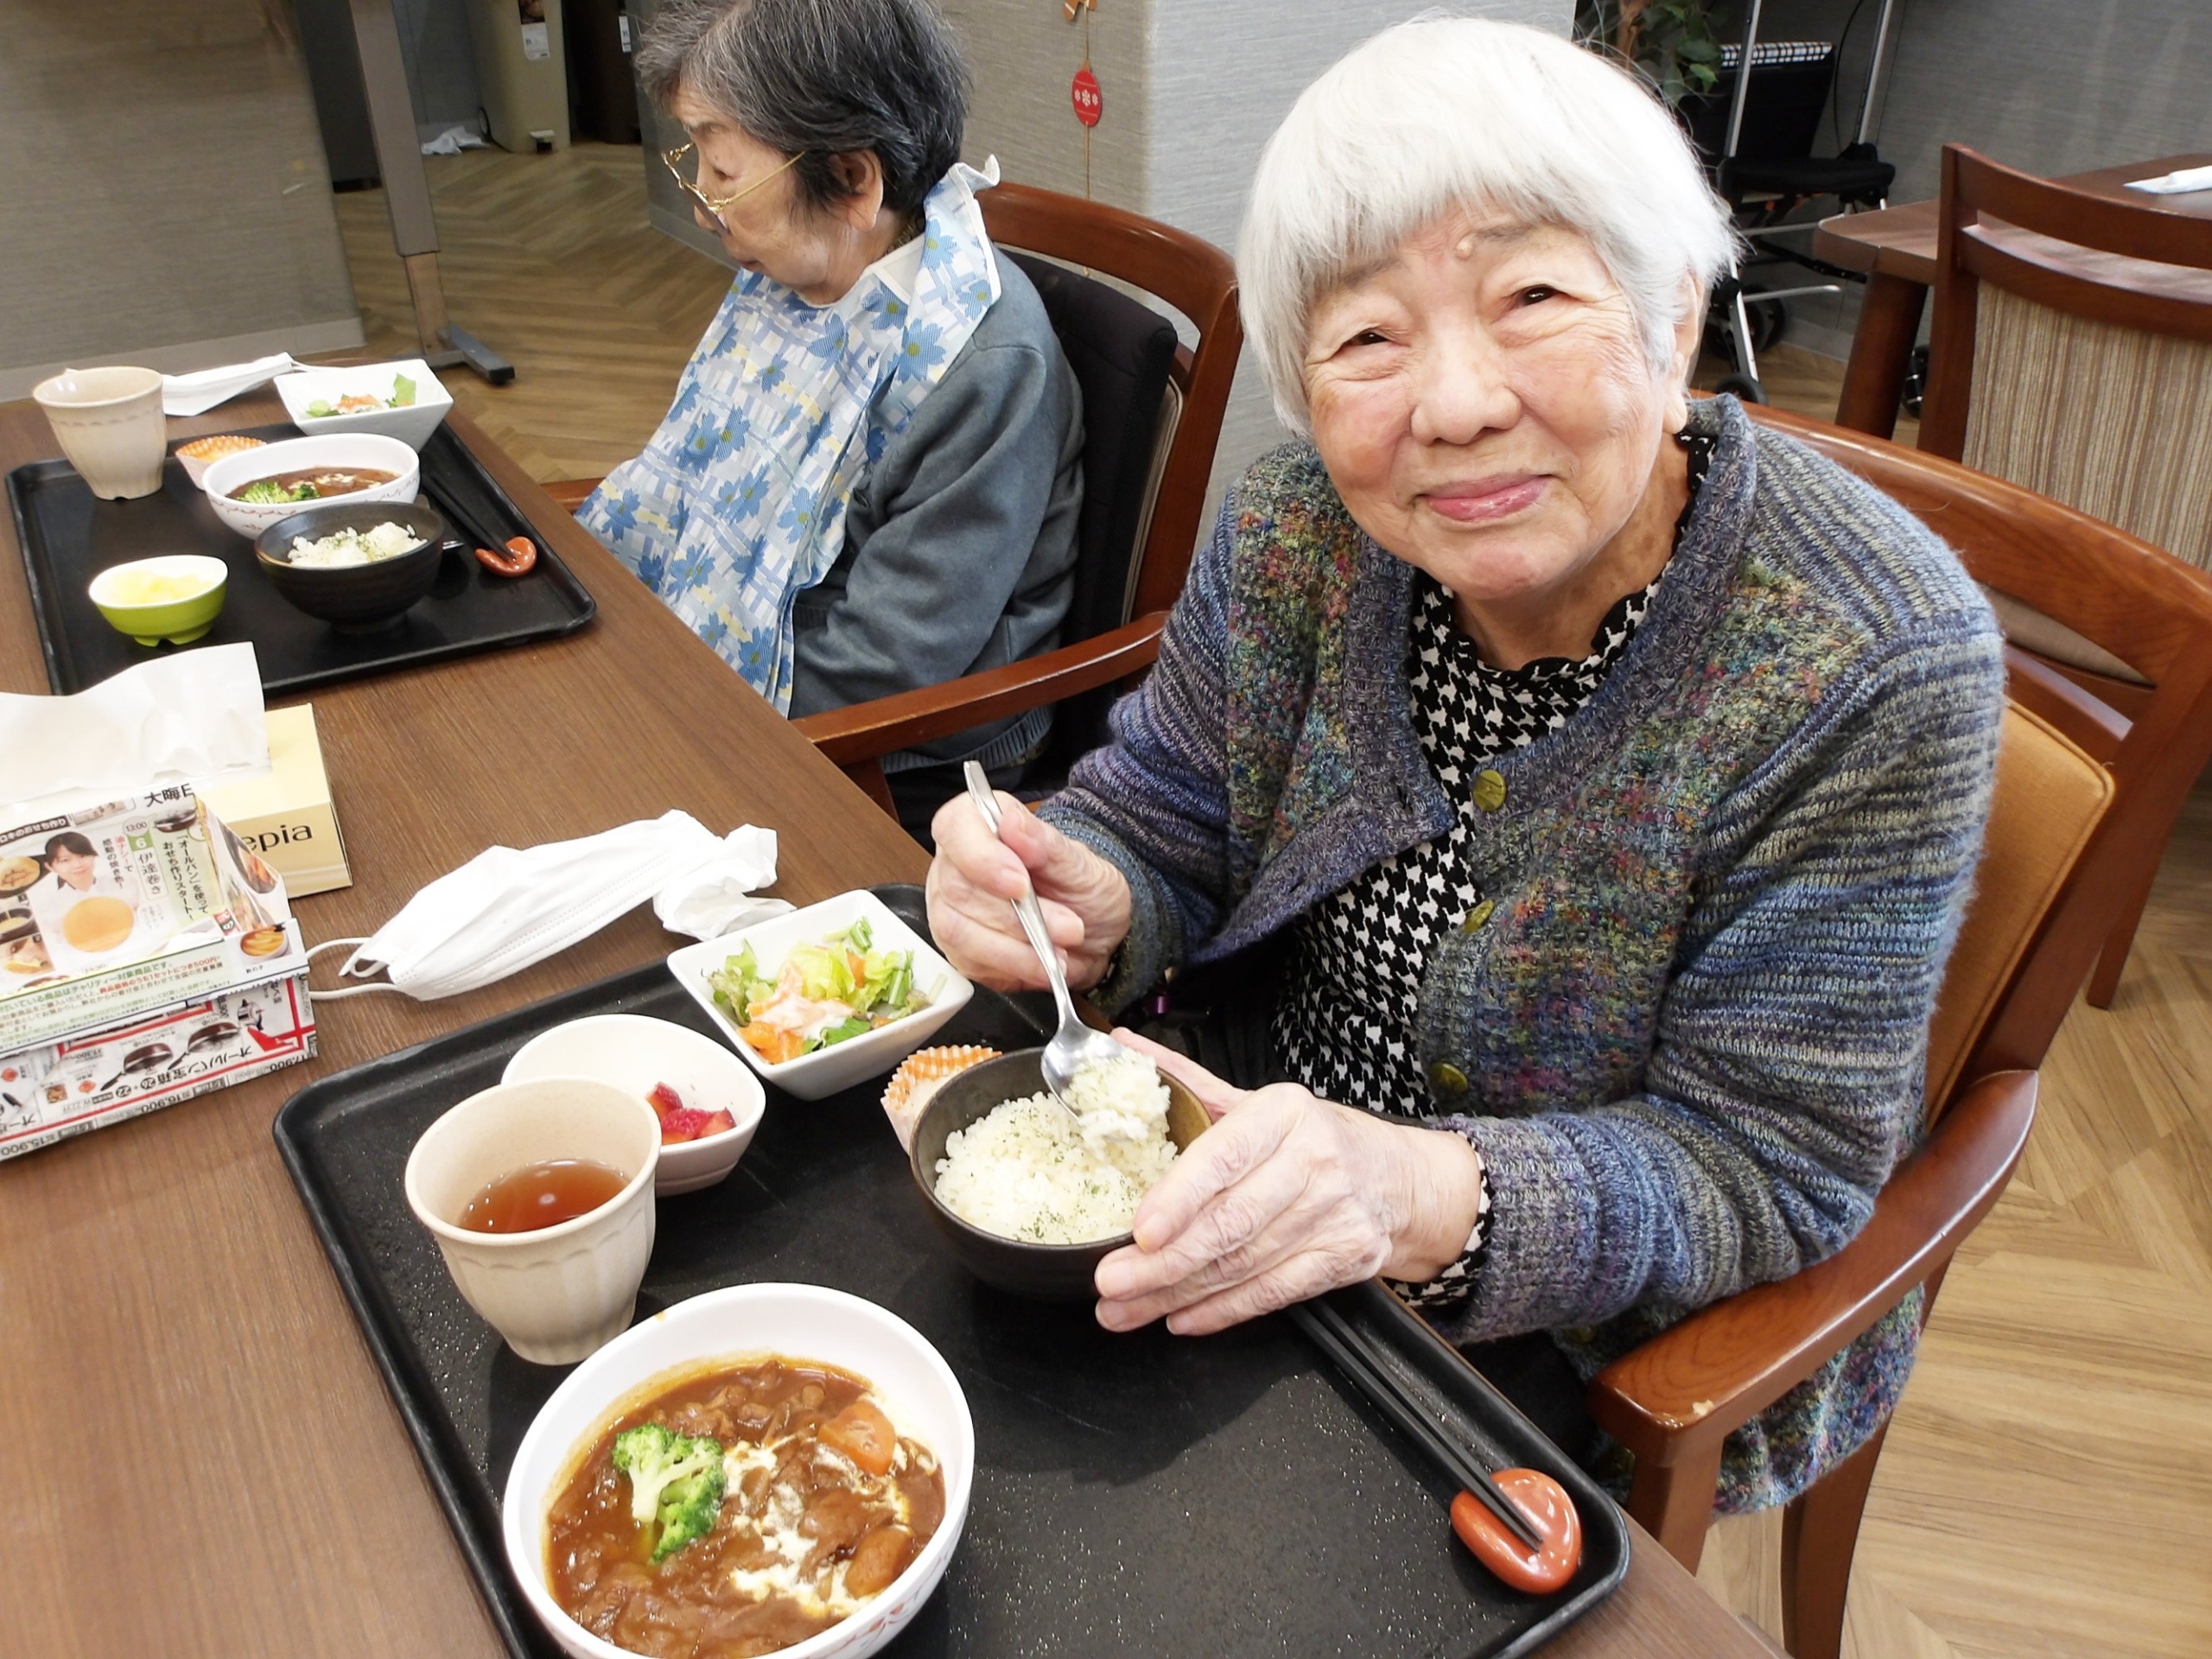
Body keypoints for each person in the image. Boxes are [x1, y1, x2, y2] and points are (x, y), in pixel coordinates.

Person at [923, 18, 2005, 1512]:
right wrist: (1087, 890)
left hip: (1578, 1326)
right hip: (1227, 1166)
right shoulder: (1306, 521)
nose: (1453, 404)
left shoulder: (1870, 658)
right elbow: (1164, 805)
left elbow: (1767, 1166)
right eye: (1367, 336)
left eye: (1534, 296)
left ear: (1677, 308)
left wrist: (1414, 1194)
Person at [582, 0, 1084, 826]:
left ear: (853, 180)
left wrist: (672, 700)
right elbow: (696, 477)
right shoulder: (798, 275)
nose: (704, 204)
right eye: (698, 162)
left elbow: (895, 659)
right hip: (757, 651)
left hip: (909, 743)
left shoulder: (979, 362)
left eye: (725, 170)